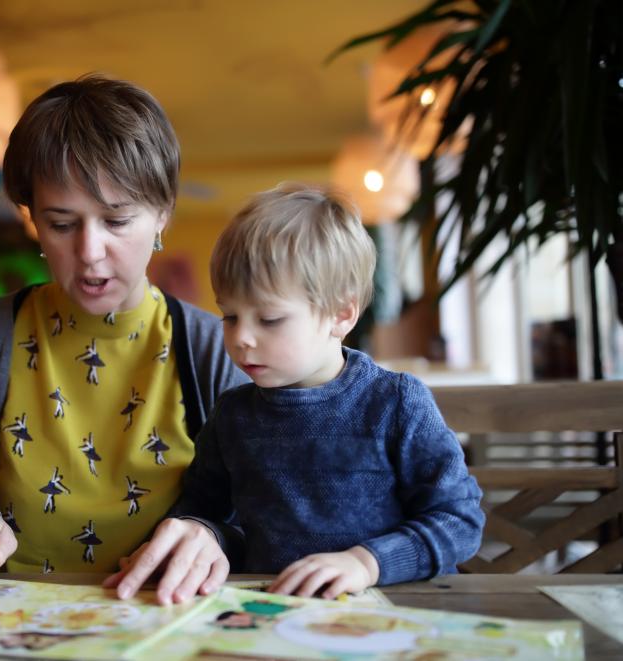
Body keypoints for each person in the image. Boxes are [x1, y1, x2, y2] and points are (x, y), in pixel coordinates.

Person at [0, 75, 248, 608]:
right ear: (33, 219)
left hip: (159, 623)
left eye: (116, 220)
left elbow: (258, 518)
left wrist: (214, 536)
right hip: (4, 625)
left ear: (163, 214)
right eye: (61, 224)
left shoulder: (218, 348)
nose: (89, 252)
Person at [172, 183, 484, 598]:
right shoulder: (233, 415)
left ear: (341, 314)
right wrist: (201, 535)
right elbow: (202, 513)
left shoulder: (395, 403)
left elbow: (459, 520)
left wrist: (366, 561)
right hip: (271, 615)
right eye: (229, 315)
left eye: (269, 319)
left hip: (390, 612)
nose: (241, 337)